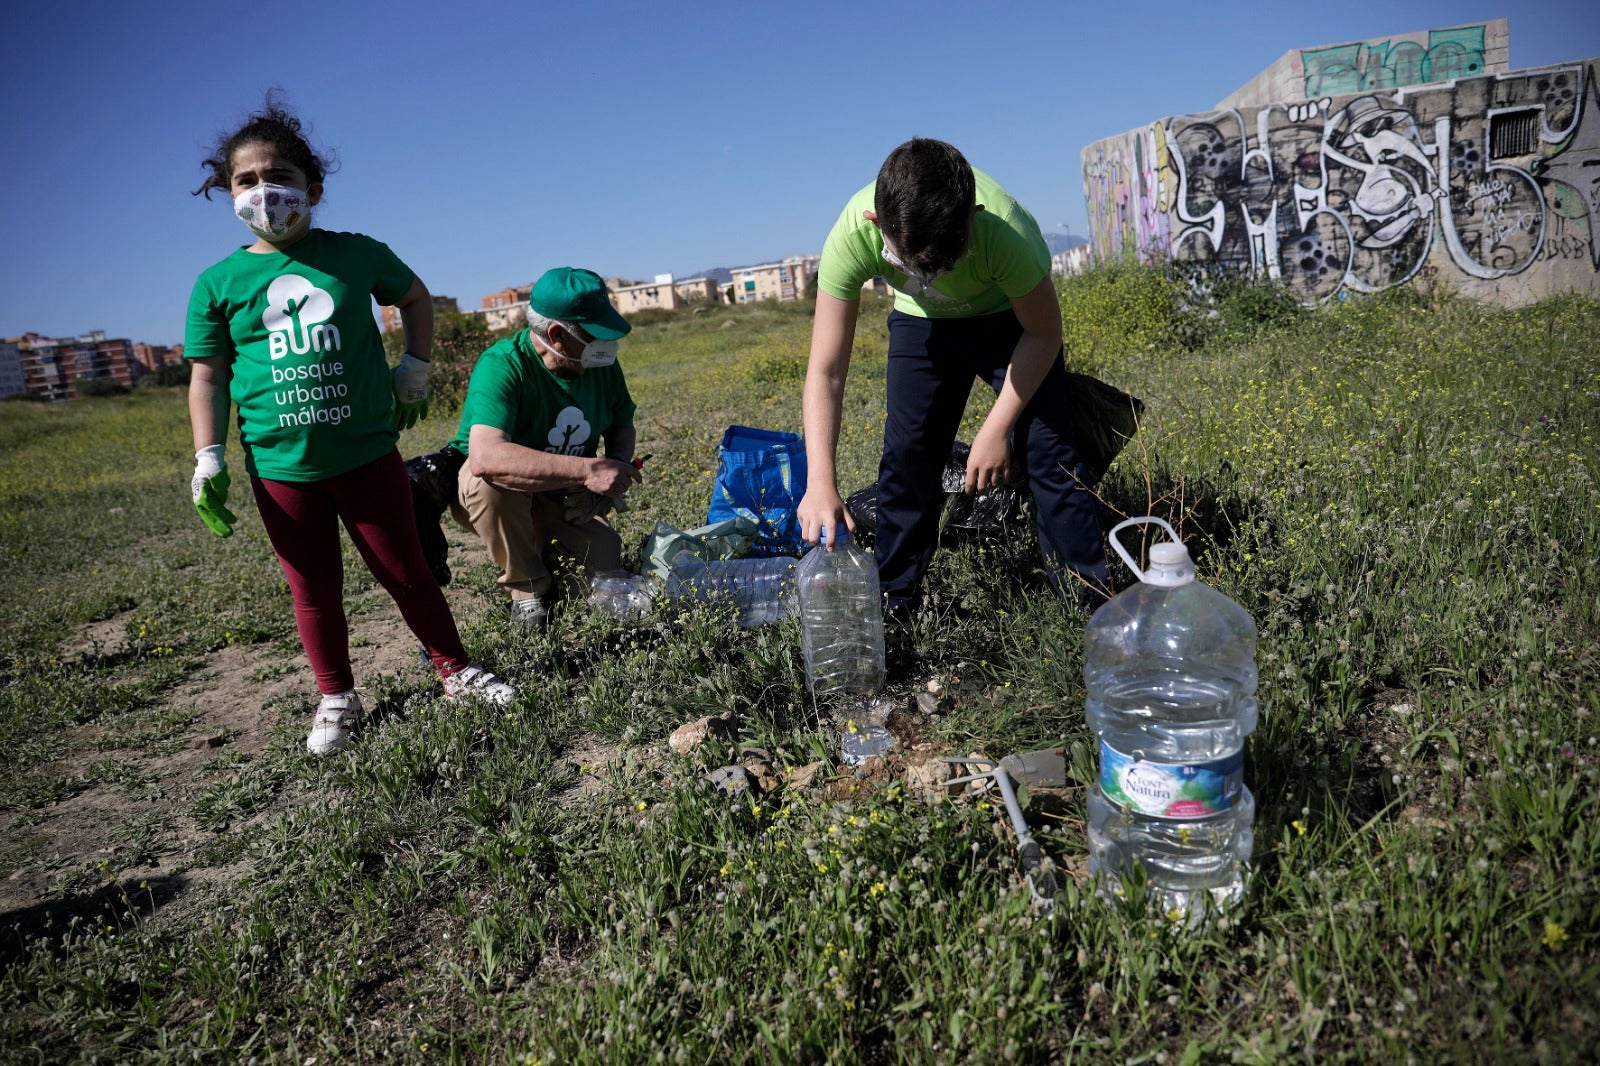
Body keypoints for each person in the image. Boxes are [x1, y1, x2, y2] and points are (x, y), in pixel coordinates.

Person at [184, 96, 515, 757]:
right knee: (314, 590)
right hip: (282, 469)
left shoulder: (355, 254)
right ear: (228, 191)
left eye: (276, 176)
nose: (262, 192)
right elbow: (209, 376)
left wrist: (415, 364)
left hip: (366, 454)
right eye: (245, 181)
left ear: (313, 187)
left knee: (408, 571)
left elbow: (414, 297)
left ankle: (454, 670)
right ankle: (336, 696)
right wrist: (209, 455)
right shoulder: (217, 282)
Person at [796, 137, 1110, 615]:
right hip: (921, 324)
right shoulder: (851, 235)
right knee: (908, 455)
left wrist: (997, 428)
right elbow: (827, 371)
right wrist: (820, 480)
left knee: (1049, 449)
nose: (933, 281)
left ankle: (1088, 607)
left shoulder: (1005, 231)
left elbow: (1043, 334)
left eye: (948, 264)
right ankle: (894, 604)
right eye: (911, 267)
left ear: (974, 216)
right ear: (877, 225)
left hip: (1008, 321)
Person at [447, 267, 642, 628]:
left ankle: (539, 548)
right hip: (498, 492)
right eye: (594, 336)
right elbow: (486, 458)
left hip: (560, 492)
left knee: (604, 566)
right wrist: (588, 471)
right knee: (489, 483)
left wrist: (614, 467)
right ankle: (527, 591)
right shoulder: (503, 365)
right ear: (557, 334)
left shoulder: (599, 365)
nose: (606, 347)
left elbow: (621, 421)